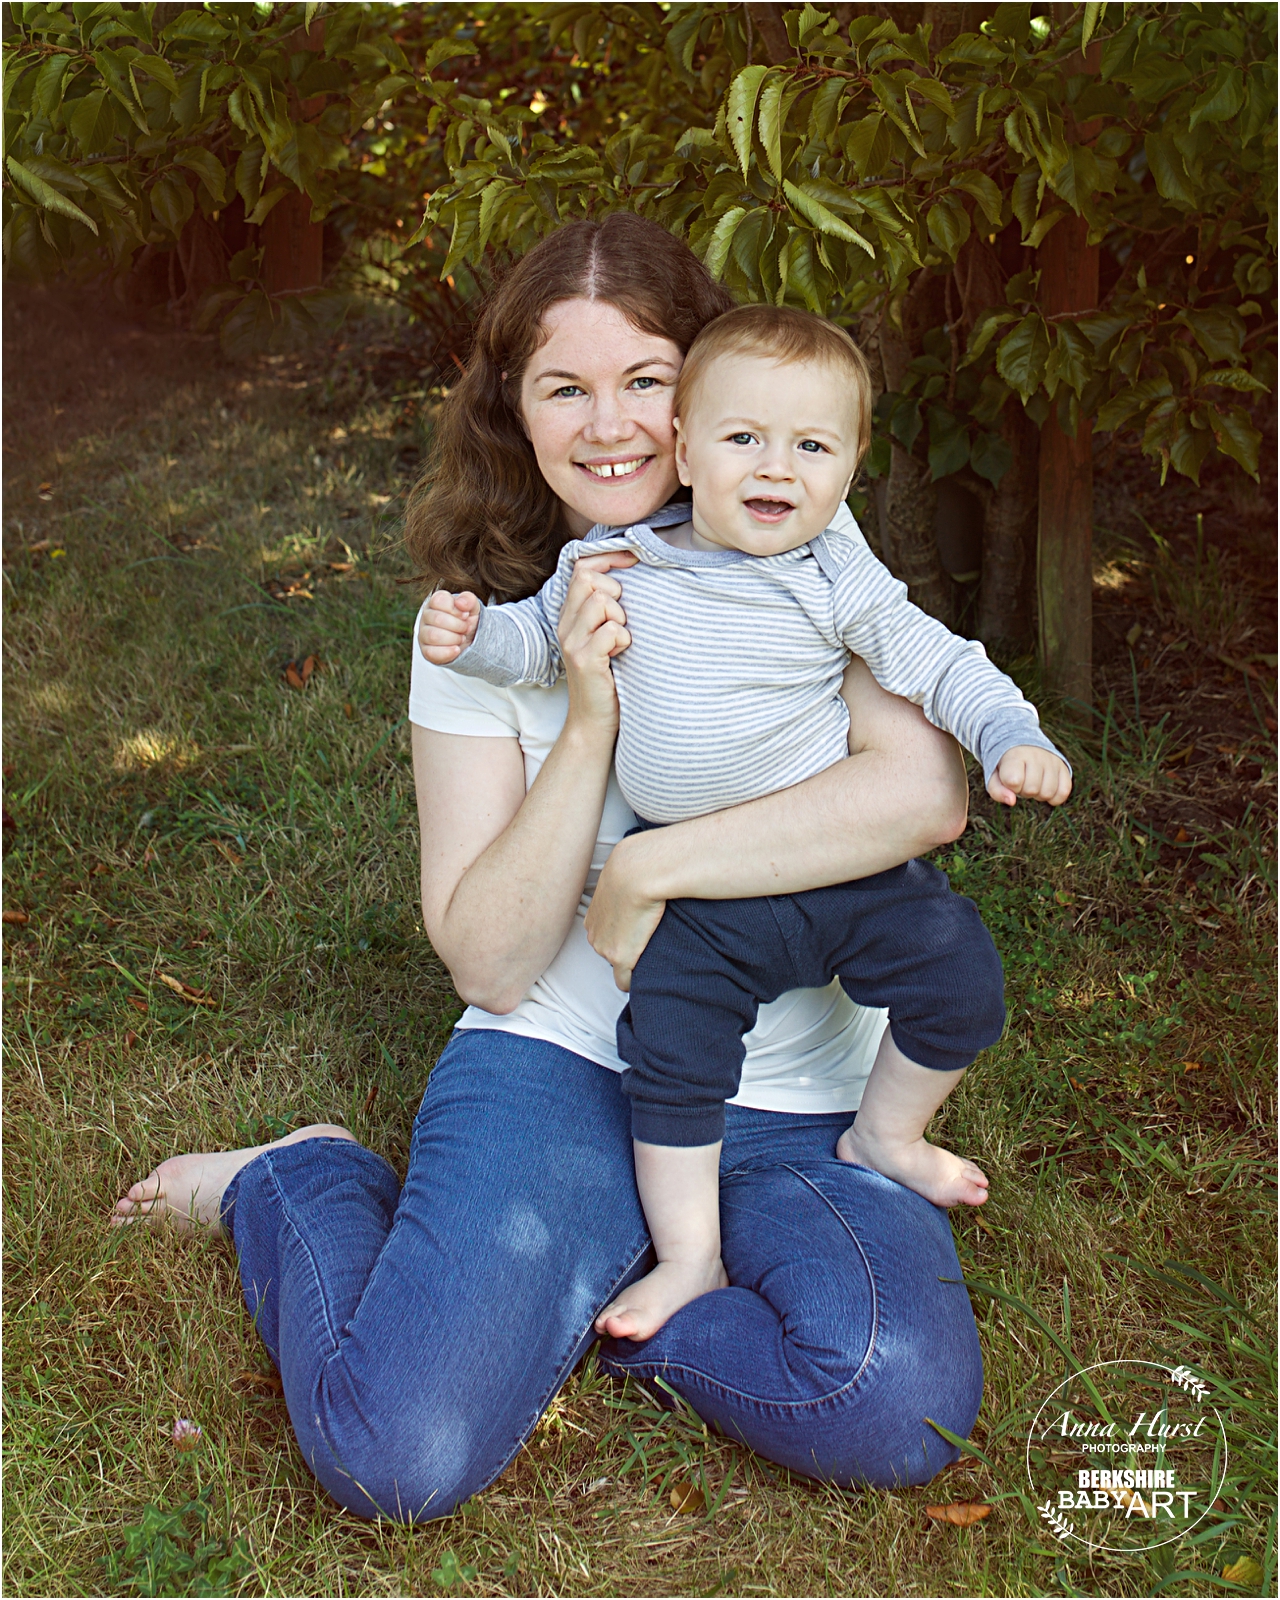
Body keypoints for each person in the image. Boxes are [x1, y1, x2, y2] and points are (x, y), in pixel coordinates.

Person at [114, 213, 990, 1523]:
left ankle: (625, 1312)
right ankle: (295, 1177)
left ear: (703, 395)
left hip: (797, 1102)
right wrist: (586, 716)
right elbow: (491, 954)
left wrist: (651, 871)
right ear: (511, 413)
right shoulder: (477, 632)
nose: (613, 426)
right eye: (563, 388)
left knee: (888, 1399)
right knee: (390, 1456)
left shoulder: (806, 562)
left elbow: (926, 792)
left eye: (646, 379)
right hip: (568, 1068)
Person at [421, 303, 1071, 1342]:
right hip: (709, 902)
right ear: (684, 448)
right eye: (743, 441)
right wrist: (470, 637)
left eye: (811, 447)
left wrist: (1006, 733)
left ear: (851, 466)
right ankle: (689, 1252)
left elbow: (937, 658)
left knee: (956, 969)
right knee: (672, 1045)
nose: (776, 470)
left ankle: (887, 1135)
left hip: (834, 872)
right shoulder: (620, 561)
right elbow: (534, 641)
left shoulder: (829, 576)